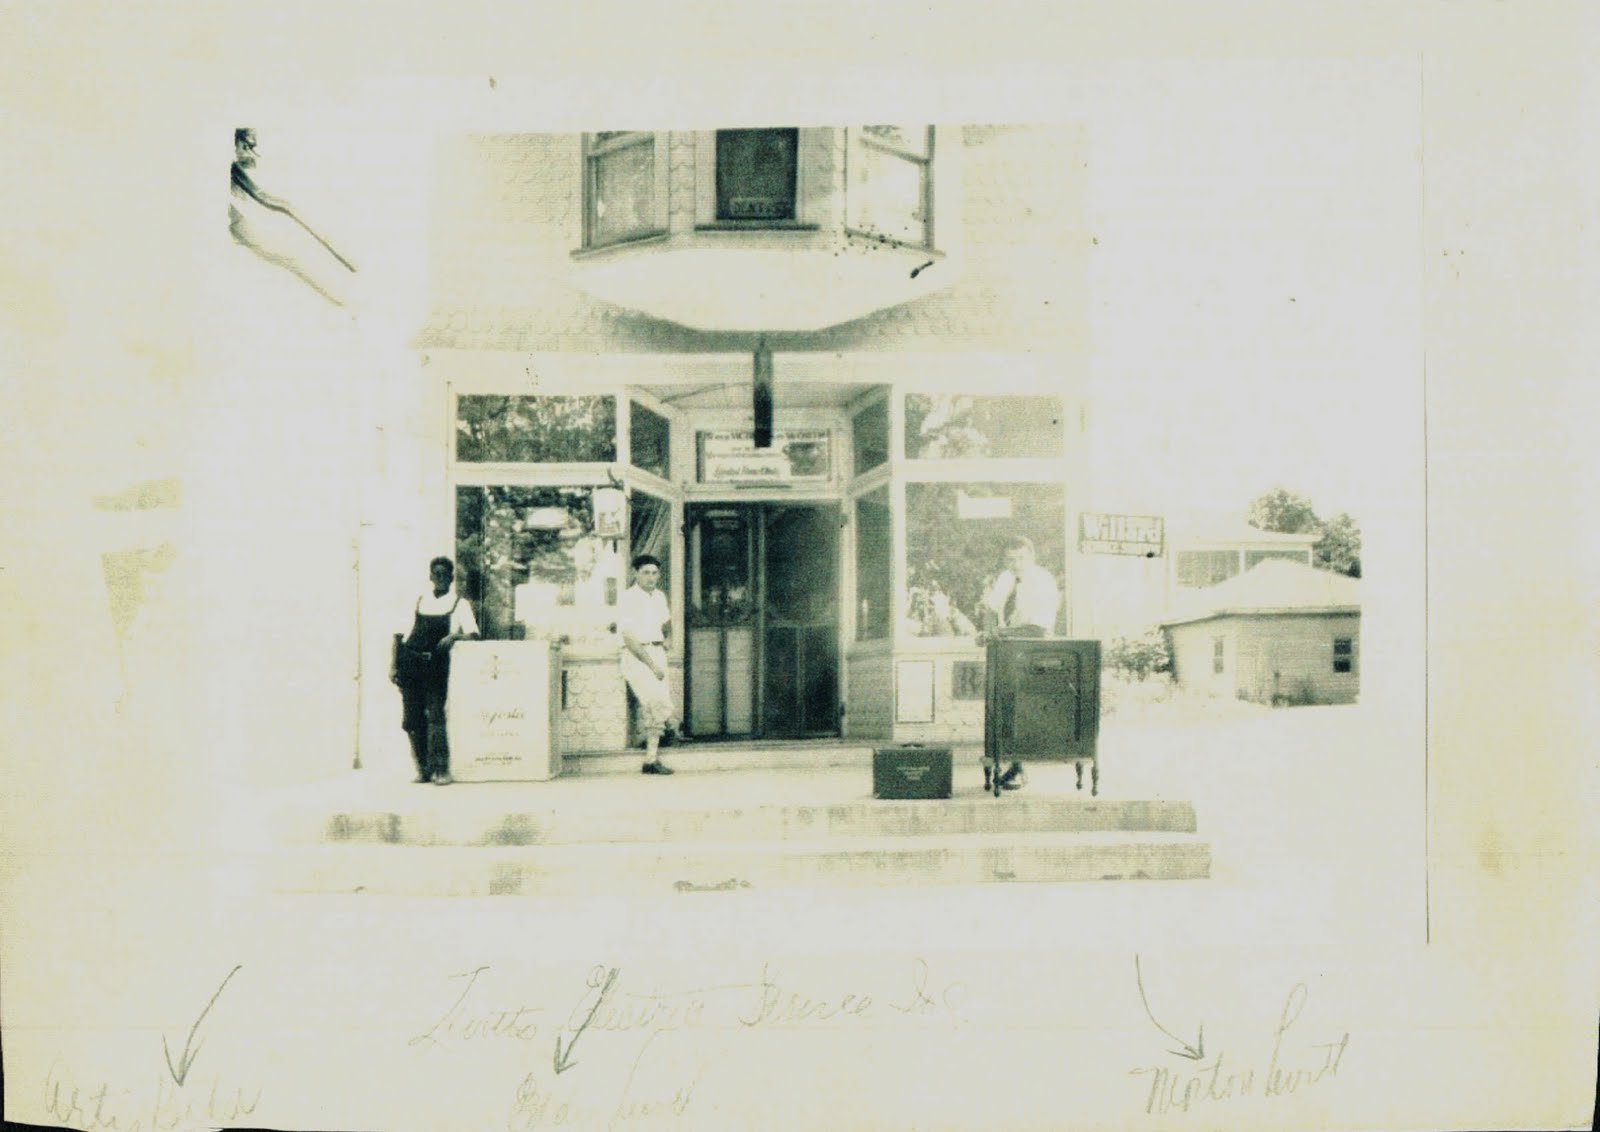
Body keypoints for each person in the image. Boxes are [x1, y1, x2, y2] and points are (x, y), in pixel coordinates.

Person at [979, 536, 1060, 791]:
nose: (1015, 564)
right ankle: (1009, 763)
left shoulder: (1042, 580)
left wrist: (999, 634)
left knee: (1020, 707)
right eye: (1010, 559)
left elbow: (1037, 626)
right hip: (1008, 647)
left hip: (1033, 648)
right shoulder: (1006, 577)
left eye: (1021, 558)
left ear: (1031, 557)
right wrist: (990, 629)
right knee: (1001, 705)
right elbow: (991, 607)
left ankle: (1018, 765)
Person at [390, 557, 480, 785]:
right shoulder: (418, 601)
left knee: (435, 716)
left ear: (451, 578)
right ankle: (422, 769)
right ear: (430, 576)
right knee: (411, 719)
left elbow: (474, 634)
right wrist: (393, 665)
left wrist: (453, 636)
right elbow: (399, 635)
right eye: (436, 574)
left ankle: (441, 770)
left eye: (445, 574)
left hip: (436, 666)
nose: (440, 578)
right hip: (410, 663)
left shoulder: (460, 604)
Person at [617, 554, 679, 775]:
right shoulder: (628, 598)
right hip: (637, 656)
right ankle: (655, 751)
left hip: (656, 650)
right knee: (655, 702)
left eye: (654, 573)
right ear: (635, 573)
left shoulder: (659, 596)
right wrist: (652, 665)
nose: (651, 577)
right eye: (645, 572)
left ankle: (652, 756)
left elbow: (666, 621)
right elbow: (628, 637)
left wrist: (668, 638)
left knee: (660, 702)